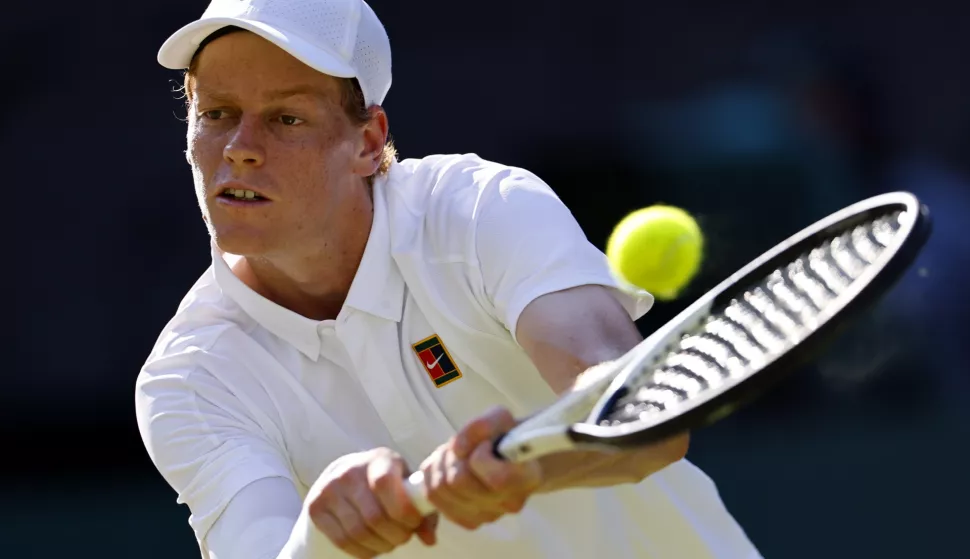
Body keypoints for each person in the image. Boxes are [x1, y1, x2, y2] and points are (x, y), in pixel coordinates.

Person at [135, 1, 761, 557]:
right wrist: (321, 538)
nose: (239, 147)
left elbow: (644, 419)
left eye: (286, 118)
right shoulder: (191, 377)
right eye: (216, 113)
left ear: (367, 141)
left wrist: (527, 467)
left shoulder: (481, 210)